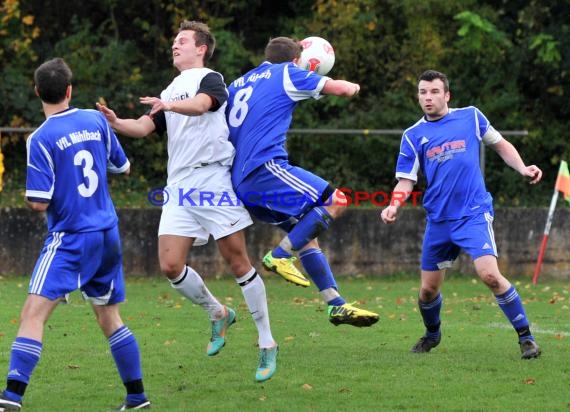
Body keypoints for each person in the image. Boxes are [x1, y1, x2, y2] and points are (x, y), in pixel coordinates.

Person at [97, 20, 278, 382]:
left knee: (237, 261)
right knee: (169, 265)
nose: (175, 46)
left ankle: (267, 343)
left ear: (201, 48)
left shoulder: (210, 78)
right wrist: (117, 123)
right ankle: (217, 313)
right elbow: (145, 127)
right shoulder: (170, 88)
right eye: (174, 41)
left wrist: (169, 105)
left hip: (212, 177)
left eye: (182, 41)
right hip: (179, 185)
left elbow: (201, 105)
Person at [0, 58, 150, 411]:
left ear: (37, 91)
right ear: (69, 90)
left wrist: (28, 194)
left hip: (71, 238)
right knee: (109, 317)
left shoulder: (41, 137)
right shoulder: (96, 119)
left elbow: (38, 202)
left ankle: (10, 397)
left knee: (32, 314)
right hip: (107, 234)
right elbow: (123, 167)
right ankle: (137, 396)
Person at [380, 69, 542, 359]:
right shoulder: (413, 135)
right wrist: (394, 204)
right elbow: (406, 180)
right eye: (422, 92)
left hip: (473, 213)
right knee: (427, 291)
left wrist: (522, 168)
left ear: (447, 95)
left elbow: (500, 144)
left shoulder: (471, 116)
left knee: (490, 276)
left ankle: (526, 338)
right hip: (439, 220)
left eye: (434, 92)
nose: (428, 97)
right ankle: (432, 334)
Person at [225, 36, 379, 327]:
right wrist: (355, 86)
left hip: (239, 180)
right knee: (337, 201)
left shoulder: (238, 83)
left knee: (306, 232)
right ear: (297, 60)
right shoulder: (288, 73)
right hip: (265, 168)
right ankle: (280, 255)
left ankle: (336, 304)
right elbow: (342, 89)